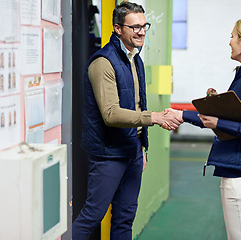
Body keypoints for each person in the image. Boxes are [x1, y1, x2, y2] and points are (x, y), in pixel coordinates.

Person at [73, 2, 180, 240]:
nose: (141, 32)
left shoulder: (135, 59)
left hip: (132, 150)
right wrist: (153, 118)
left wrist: (141, 146)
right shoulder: (103, 62)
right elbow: (111, 114)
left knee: (125, 218)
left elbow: (136, 105)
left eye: (144, 26)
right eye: (134, 27)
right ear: (118, 29)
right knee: (93, 215)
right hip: (108, 153)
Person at [167, 17, 241, 240]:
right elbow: (234, 119)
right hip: (239, 171)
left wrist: (219, 123)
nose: (229, 42)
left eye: (232, 37)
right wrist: (181, 115)